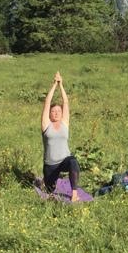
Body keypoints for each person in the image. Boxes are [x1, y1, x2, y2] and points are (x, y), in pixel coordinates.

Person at [40, 71, 81, 202]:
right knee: (49, 190)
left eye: (58, 111)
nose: (56, 113)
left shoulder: (65, 123)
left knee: (73, 161)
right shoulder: (46, 125)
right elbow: (47, 102)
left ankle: (74, 193)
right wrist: (54, 85)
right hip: (50, 165)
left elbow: (66, 102)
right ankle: (47, 181)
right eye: (53, 111)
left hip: (64, 161)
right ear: (50, 114)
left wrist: (61, 85)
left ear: (62, 113)